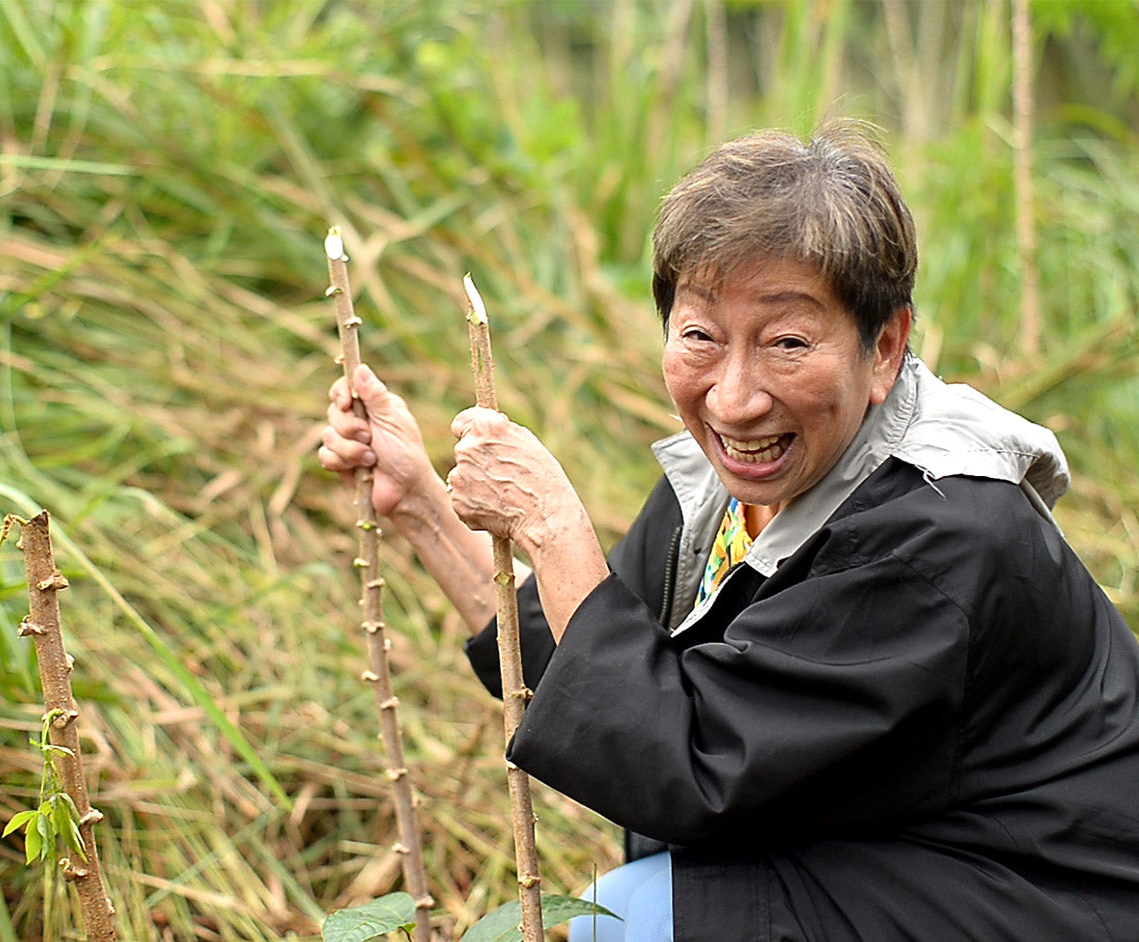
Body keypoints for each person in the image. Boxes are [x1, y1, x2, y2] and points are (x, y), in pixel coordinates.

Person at [319, 122, 1139, 941]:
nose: (735, 398)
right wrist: (421, 503)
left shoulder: (933, 533)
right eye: (701, 336)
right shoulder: (736, 484)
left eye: (786, 342)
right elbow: (593, 669)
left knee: (641, 916)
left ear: (884, 347)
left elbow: (684, 765)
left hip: (1041, 893)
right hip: (896, 847)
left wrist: (554, 525)